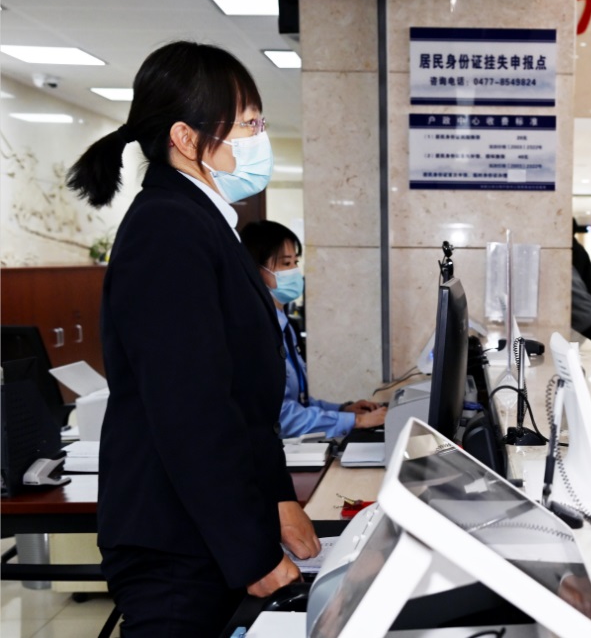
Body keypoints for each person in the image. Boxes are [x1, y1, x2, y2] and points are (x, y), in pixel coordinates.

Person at [66, 41, 319, 635]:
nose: (259, 138)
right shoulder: (167, 228)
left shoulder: (203, 221)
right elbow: (191, 409)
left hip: (202, 531)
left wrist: (279, 499)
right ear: (186, 137)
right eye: (249, 124)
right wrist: (252, 553)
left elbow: (243, 397)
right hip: (176, 543)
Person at [240, 220, 386, 439]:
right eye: (286, 263)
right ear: (256, 270)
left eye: (295, 262)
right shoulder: (255, 332)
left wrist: (343, 410)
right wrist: (356, 421)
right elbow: (280, 416)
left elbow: (299, 403)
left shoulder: (284, 327)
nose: (294, 271)